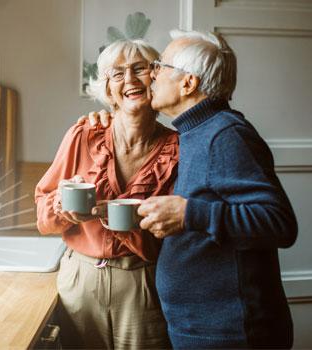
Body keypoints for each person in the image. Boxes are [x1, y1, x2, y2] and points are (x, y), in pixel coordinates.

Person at [85, 29, 298, 348]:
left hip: (229, 334)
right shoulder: (196, 131)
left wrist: (189, 214)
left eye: (161, 66)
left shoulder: (225, 135)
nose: (152, 75)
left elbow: (279, 224)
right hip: (204, 327)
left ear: (188, 82)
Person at [35, 39, 178, 349]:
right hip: (80, 279)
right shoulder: (82, 134)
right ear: (108, 89)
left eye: (140, 69)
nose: (129, 80)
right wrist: (62, 207)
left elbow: (182, 234)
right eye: (117, 73)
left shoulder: (179, 149)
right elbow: (42, 217)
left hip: (143, 281)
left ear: (156, 78)